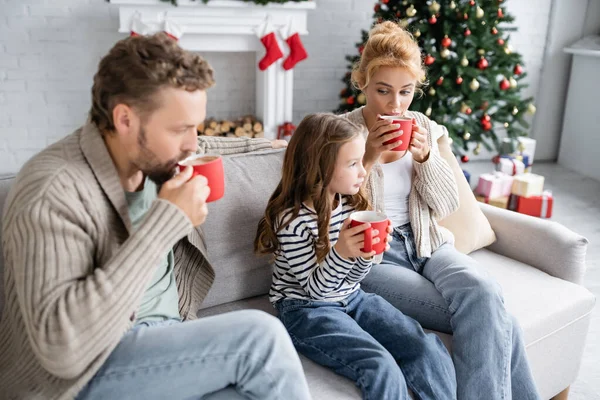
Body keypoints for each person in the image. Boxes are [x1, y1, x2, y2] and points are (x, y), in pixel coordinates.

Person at [0, 33, 311, 400]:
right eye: (181, 129)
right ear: (125, 119)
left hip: (162, 345)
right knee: (260, 340)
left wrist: (274, 145)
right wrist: (167, 221)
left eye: (196, 125)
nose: (193, 143)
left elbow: (209, 145)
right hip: (83, 373)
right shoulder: (54, 190)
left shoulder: (152, 154)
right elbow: (64, 350)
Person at [341, 21, 542, 400]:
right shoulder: (341, 133)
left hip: (429, 244)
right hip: (375, 258)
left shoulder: (425, 128)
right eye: (383, 91)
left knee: (482, 290)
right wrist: (366, 156)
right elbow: (331, 208)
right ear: (362, 82)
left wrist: (427, 158)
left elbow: (447, 205)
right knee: (500, 320)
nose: (395, 104)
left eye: (405, 92)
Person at [255, 113, 457, 400]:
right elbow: (317, 290)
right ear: (320, 168)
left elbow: (355, 278)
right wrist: (341, 251)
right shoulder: (291, 220)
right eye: (352, 164)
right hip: (306, 309)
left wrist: (366, 253)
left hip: (353, 297)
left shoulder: (348, 204)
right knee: (379, 366)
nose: (363, 171)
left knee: (425, 346)